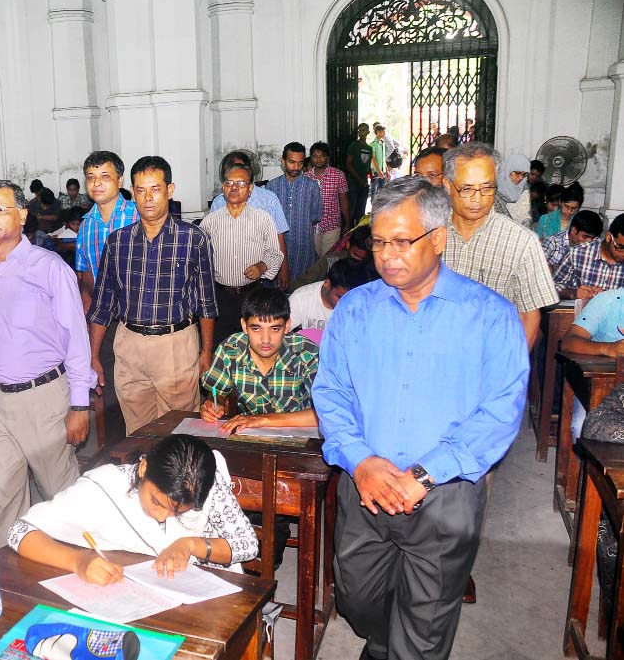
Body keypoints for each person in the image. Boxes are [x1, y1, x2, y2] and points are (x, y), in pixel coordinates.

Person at [313, 176, 529, 660]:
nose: (388, 255)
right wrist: (360, 460)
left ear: (438, 238)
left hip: (445, 494)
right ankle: (386, 645)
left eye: (401, 242)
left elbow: (502, 409)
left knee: (424, 628)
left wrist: (427, 473)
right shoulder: (355, 310)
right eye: (379, 242)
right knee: (356, 600)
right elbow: (331, 392)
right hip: (365, 484)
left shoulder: (489, 315)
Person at [0, 179, 96, 548]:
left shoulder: (49, 268)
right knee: (4, 496)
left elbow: (76, 341)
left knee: (61, 495)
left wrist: (79, 404)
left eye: (0, 209)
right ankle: (14, 579)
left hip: (44, 398)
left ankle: (81, 569)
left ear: (22, 214)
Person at [8, 434, 258, 583]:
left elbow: (247, 545)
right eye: (156, 502)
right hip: (136, 585)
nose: (162, 516)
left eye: (178, 512)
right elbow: (19, 532)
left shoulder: (202, 482)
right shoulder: (104, 486)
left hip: (205, 585)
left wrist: (190, 544)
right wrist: (79, 561)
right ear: (143, 469)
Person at [88, 156, 217, 435]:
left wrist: (206, 352)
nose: (148, 198)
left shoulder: (194, 239)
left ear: (170, 190)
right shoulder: (118, 242)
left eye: (155, 189)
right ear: (132, 192)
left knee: (180, 430)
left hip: (175, 344)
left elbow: (206, 301)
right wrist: (93, 355)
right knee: (138, 433)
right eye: (141, 190)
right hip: (129, 345)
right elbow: (102, 303)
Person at [442, 142, 558, 349]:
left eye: (487, 188)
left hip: (491, 357)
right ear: (447, 185)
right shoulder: (428, 233)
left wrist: (511, 373)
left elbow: (529, 317)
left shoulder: (522, 242)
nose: (478, 199)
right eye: (467, 189)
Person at [199, 287, 318, 434]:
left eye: (275, 329)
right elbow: (218, 392)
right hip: (250, 433)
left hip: (300, 435)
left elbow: (330, 413)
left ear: (287, 326)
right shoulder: (231, 349)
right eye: (256, 329)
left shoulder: (306, 352)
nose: (266, 339)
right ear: (244, 326)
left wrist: (264, 419)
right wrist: (213, 403)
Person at [199, 164, 283, 346]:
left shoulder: (263, 218)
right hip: (220, 296)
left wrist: (261, 266)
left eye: (241, 183)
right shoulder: (210, 222)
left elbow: (275, 253)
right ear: (223, 187)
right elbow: (199, 259)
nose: (234, 187)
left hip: (252, 294)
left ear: (250, 188)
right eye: (229, 182)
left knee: (251, 344)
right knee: (221, 344)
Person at [210, 150, 292, 287]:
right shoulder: (219, 202)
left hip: (263, 274)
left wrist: (284, 270)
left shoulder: (268, 199)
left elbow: (279, 237)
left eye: (239, 169)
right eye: (230, 173)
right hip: (228, 276)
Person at [75, 151, 139, 311]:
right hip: (101, 318)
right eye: (90, 177)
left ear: (119, 181)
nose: (96, 183)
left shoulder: (139, 216)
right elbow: (85, 274)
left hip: (138, 316)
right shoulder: (85, 226)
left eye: (105, 176)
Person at [562, 288, 624, 440]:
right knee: (580, 427)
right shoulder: (608, 301)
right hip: (604, 389)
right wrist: (607, 348)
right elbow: (569, 342)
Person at [265, 142, 323, 286]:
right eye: (291, 162)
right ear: (283, 161)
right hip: (277, 248)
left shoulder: (312, 186)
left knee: (301, 290)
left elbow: (316, 216)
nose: (296, 167)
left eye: (300, 163)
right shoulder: (272, 186)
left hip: (303, 248)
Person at [287, 258, 370, 335]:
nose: (346, 304)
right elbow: (281, 334)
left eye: (351, 299)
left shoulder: (364, 304)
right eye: (340, 297)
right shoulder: (300, 299)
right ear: (327, 283)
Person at [553, 213, 624, 300]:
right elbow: (553, 286)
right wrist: (573, 293)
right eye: (621, 247)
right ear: (609, 237)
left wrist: (610, 297)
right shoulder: (577, 253)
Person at [305, 141, 351, 254]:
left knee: (327, 260)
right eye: (315, 156)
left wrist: (348, 222)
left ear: (327, 158)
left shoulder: (338, 175)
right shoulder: (305, 177)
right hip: (311, 227)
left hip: (332, 226)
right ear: (311, 158)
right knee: (314, 262)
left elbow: (344, 200)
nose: (319, 159)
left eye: (322, 156)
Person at [494, 153, 532, 228]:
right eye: (517, 173)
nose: (521, 178)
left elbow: (526, 216)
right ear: (508, 169)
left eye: (524, 175)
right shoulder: (493, 190)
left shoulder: (525, 192)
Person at [346, 123, 374, 224]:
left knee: (361, 211)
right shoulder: (353, 146)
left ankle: (358, 234)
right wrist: (359, 179)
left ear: (368, 132)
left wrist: (371, 177)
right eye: (359, 130)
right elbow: (349, 165)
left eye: (363, 130)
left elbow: (367, 165)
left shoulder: (370, 148)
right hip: (354, 183)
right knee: (351, 210)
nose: (360, 133)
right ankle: (348, 233)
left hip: (364, 183)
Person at [369, 126, 390, 198]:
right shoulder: (372, 144)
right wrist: (378, 171)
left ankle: (380, 207)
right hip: (375, 171)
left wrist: (387, 171)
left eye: (384, 132)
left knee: (382, 189)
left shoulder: (383, 143)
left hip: (383, 170)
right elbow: (373, 159)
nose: (383, 133)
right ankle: (373, 206)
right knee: (373, 189)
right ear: (377, 132)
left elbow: (383, 158)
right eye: (381, 132)